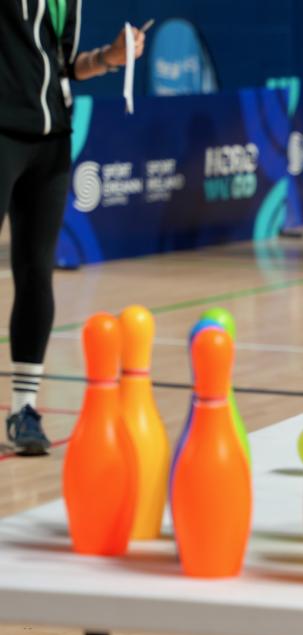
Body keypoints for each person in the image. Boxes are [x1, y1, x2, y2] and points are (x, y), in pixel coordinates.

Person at [1, 5, 145, 455]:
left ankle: (24, 410)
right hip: (2, 133)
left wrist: (109, 57)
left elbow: (64, 65)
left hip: (52, 141)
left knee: (35, 272)